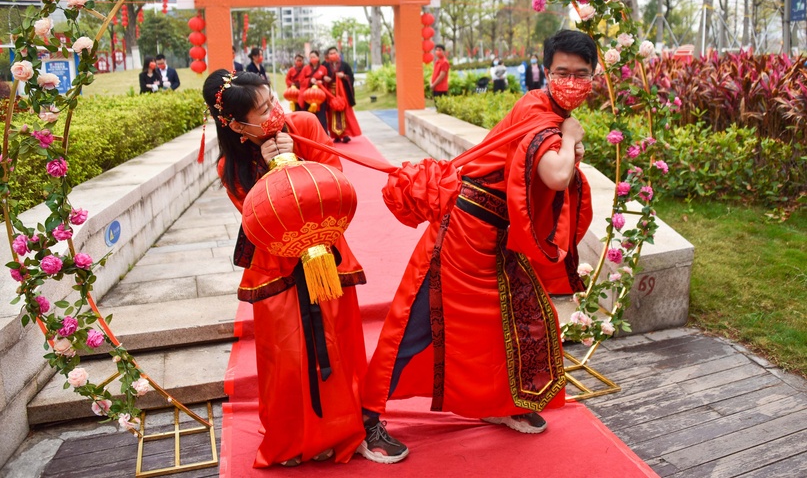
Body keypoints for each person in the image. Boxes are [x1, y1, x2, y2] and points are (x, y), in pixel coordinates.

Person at [360, 30, 595, 459]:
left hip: (501, 236)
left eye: (582, 74)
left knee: (512, 322)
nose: (571, 80)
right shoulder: (538, 113)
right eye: (563, 71)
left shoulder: (551, 114)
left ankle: (499, 404)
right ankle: (365, 418)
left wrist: (567, 131)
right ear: (546, 71)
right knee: (419, 323)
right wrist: (573, 135)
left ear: (593, 77)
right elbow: (556, 176)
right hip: (465, 231)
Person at [202, 69, 384, 468]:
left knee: (343, 345)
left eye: (272, 101)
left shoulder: (303, 124)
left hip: (326, 257)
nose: (275, 112)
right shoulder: (231, 168)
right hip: (276, 268)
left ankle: (360, 424)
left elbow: (335, 184)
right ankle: (295, 436)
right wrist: (271, 171)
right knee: (284, 358)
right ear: (235, 125)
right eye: (262, 109)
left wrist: (296, 160)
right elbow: (258, 219)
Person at [324, 46, 362, 143]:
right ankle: (335, 135)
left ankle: (345, 134)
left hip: (342, 93)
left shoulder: (345, 65)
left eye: (334, 53)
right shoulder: (325, 65)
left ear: (338, 53)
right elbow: (321, 76)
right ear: (328, 55)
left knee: (344, 113)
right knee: (331, 114)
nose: (333, 55)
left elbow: (351, 77)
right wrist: (325, 78)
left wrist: (344, 76)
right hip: (330, 92)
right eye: (331, 53)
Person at [298, 50, 329, 132]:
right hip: (309, 96)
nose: (312, 58)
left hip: (320, 96)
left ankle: (323, 134)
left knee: (321, 115)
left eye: (314, 57)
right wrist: (309, 80)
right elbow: (301, 81)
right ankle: (309, 133)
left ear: (318, 58)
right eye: (311, 57)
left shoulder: (323, 69)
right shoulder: (305, 69)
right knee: (309, 116)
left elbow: (326, 81)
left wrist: (322, 81)